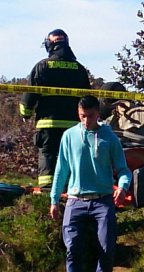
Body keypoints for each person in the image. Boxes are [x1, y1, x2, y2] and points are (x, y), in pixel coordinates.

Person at [49, 95, 132, 272]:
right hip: (75, 201)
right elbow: (61, 170)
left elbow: (124, 170)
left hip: (102, 201)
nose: (86, 120)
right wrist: (54, 200)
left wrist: (123, 187)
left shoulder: (109, 138)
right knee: (72, 249)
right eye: (82, 116)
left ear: (98, 114)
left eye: (91, 115)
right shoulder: (69, 136)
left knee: (106, 249)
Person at [19, 29, 91, 191]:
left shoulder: (42, 66)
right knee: (73, 156)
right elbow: (88, 98)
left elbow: (30, 95)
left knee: (48, 155)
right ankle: (74, 189)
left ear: (49, 45)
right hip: (75, 125)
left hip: (48, 123)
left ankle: (47, 192)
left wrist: (26, 113)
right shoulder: (79, 69)